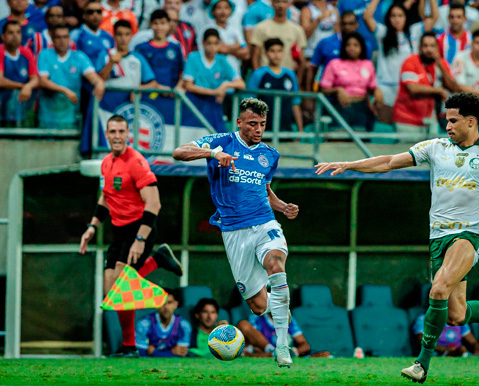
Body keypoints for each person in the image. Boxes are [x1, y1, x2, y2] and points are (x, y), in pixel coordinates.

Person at [315, 92, 479, 383]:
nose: (448, 126)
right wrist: (349, 164)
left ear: (470, 121)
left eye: (453, 120)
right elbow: (389, 161)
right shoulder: (435, 147)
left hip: (469, 234)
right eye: (446, 120)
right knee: (456, 314)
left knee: (438, 289)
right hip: (438, 237)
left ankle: (421, 364)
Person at [172, 97, 300, 368]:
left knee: (276, 265)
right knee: (258, 306)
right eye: (252, 123)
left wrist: (282, 207)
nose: (258, 129)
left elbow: (264, 190)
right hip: (234, 232)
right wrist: (212, 153)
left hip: (265, 223)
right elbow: (178, 153)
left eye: (262, 124)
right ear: (239, 122)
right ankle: (277, 299)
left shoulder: (270, 154)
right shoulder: (221, 142)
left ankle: (282, 346)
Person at [79, 114, 183, 357]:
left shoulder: (136, 162)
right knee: (111, 293)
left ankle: (129, 347)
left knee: (120, 289)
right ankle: (158, 259)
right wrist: (92, 226)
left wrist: (140, 239)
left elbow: (154, 204)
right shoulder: (106, 163)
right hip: (119, 231)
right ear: (106, 134)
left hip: (139, 230)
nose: (117, 136)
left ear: (128, 134)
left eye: (121, 132)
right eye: (112, 132)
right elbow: (106, 197)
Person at [393, 32, 467, 139]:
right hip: (407, 121)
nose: (429, 49)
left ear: (437, 48)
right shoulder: (410, 62)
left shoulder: (441, 63)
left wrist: (441, 67)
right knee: (408, 155)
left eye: (432, 46)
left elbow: (454, 88)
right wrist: (438, 91)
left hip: (431, 120)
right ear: (419, 47)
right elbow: (412, 88)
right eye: (425, 46)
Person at [363, 0, 423, 123]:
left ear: (406, 17)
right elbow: (367, 17)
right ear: (388, 18)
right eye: (393, 16)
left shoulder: (413, 33)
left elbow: (434, 18)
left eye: (400, 16)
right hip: (385, 87)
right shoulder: (383, 33)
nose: (397, 19)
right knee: (385, 122)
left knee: (403, 125)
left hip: (406, 88)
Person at [37, 24, 105, 129]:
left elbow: (93, 76)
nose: (62, 40)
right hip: (48, 115)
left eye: (65, 37)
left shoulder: (79, 57)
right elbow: (43, 81)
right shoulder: (45, 55)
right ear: (52, 39)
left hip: (71, 115)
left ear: (69, 39)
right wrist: (65, 90)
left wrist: (99, 83)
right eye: (58, 37)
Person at [182, 28, 246, 129]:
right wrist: (215, 92)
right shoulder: (193, 57)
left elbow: (241, 84)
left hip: (213, 105)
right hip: (194, 103)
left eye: (215, 43)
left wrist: (225, 85)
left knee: (217, 137)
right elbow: (188, 85)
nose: (212, 47)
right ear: (203, 44)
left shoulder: (222, 60)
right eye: (209, 43)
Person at [319, 32, 382, 132]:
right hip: (341, 106)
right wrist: (337, 90)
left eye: (355, 45)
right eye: (348, 45)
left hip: (362, 107)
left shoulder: (368, 64)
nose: (351, 48)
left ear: (362, 47)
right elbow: (323, 89)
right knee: (339, 139)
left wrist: (377, 91)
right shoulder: (334, 64)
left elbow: (371, 87)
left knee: (360, 140)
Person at [247, 38, 303, 133]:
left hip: (285, 129)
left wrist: (300, 130)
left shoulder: (290, 74)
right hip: (262, 131)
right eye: (272, 51)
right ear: (266, 53)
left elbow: (295, 103)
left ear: (284, 53)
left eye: (279, 51)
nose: (276, 55)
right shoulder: (259, 74)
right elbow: (249, 104)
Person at [309, 10, 372, 89]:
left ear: (357, 25)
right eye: (344, 24)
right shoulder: (325, 43)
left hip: (357, 93)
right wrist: (309, 96)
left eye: (351, 24)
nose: (347, 27)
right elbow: (313, 68)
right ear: (340, 25)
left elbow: (367, 71)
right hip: (328, 91)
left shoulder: (365, 46)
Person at [96, 20, 160, 90]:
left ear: (131, 36)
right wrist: (110, 63)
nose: (123, 38)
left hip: (130, 100)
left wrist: (138, 89)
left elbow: (153, 83)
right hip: (108, 99)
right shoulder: (105, 55)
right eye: (119, 34)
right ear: (114, 36)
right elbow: (97, 81)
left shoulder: (138, 58)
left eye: (127, 34)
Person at [238, 312, 331, 358]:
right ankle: (275, 353)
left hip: (288, 357)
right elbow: (253, 347)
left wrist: (295, 351)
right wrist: (273, 353)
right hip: (267, 355)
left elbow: (305, 345)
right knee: (243, 324)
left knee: (325, 354)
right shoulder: (257, 317)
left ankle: (279, 355)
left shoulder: (287, 318)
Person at [250, 0, 307, 73]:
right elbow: (255, 56)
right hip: (266, 74)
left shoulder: (297, 30)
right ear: (272, 4)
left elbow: (301, 59)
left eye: (284, 2)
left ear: (289, 4)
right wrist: (258, 76)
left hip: (287, 75)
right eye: (277, 2)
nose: (281, 5)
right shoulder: (260, 28)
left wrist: (297, 81)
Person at [134, 9, 185, 89]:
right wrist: (157, 87)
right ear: (150, 24)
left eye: (163, 23)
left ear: (169, 25)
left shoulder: (175, 47)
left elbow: (182, 72)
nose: (159, 27)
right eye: (155, 23)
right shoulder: (141, 48)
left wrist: (178, 87)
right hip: (147, 94)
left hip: (172, 95)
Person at [0, 20, 38, 126]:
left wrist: (29, 86)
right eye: (11, 33)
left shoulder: (26, 52)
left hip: (21, 107)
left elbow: (35, 78)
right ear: (3, 36)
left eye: (18, 32)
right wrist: (23, 86)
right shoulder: (0, 51)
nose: (15, 36)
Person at [135, 288, 192, 357]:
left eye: (169, 302)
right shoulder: (144, 324)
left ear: (176, 304)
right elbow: (141, 353)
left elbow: (181, 354)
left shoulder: (184, 326)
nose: (166, 307)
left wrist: (154, 352)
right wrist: (171, 352)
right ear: (156, 305)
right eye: (162, 303)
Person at [198, 0, 248, 75]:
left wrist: (225, 49)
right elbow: (210, 51)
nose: (223, 11)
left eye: (226, 8)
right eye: (219, 8)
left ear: (231, 11)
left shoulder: (235, 30)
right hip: (213, 74)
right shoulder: (207, 29)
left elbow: (246, 53)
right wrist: (235, 47)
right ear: (213, 11)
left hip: (234, 73)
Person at [413, 312, 479, 357]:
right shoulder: (424, 318)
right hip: (436, 356)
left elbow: (473, 342)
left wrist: (476, 353)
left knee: (462, 350)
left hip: (459, 353)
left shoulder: (458, 319)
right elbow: (422, 341)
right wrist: (447, 349)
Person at [70, 0, 115, 67]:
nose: (95, 15)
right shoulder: (76, 35)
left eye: (98, 12)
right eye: (90, 12)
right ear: (84, 15)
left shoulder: (108, 36)